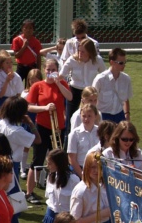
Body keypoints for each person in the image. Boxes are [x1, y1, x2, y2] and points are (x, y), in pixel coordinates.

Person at [25, 56, 70, 204]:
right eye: (48, 70)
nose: (50, 72)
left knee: (57, 160)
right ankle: (29, 192)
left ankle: (56, 190)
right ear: (44, 70)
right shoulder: (37, 86)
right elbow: (29, 106)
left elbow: (69, 97)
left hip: (58, 127)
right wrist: (44, 108)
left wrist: (58, 83)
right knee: (37, 159)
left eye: (53, 70)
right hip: (42, 127)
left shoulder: (62, 83)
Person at [35, 148, 79, 223]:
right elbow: (49, 198)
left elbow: (76, 202)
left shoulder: (73, 179)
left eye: (50, 163)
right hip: (51, 217)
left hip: (66, 220)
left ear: (58, 163)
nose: (47, 165)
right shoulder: (51, 176)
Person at [60, 37, 105, 133]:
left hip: (90, 93)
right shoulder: (72, 59)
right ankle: (68, 140)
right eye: (79, 50)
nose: (80, 53)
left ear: (90, 52)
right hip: (74, 91)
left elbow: (104, 75)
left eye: (83, 51)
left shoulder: (98, 60)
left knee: (93, 117)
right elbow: (61, 75)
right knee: (70, 119)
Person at [92, 47, 133, 123]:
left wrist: (127, 113)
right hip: (103, 115)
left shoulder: (126, 79)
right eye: (121, 63)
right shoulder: (100, 79)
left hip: (119, 115)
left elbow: (126, 99)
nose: (124, 65)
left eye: (125, 62)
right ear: (112, 62)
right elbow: (92, 99)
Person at [67, 103, 100, 179]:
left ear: (95, 116)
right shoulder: (74, 134)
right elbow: (72, 159)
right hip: (80, 169)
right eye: (84, 116)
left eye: (89, 116)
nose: (86, 119)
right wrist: (82, 175)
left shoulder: (100, 132)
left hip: (98, 170)